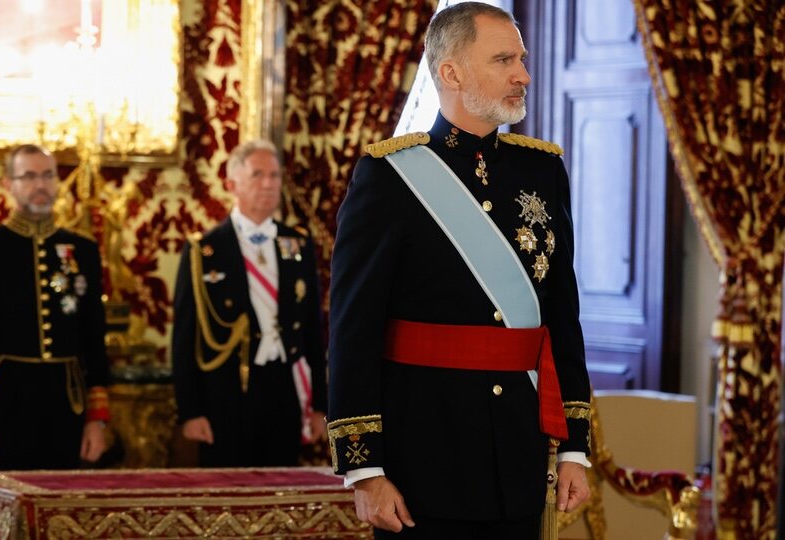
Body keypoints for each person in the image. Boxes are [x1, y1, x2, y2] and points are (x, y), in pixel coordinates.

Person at [326, 3, 591, 538]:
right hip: (422, 462)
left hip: (517, 458)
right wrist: (365, 470)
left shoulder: (543, 170)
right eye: (503, 59)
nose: (524, 74)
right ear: (450, 73)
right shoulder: (388, 176)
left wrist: (575, 447)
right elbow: (352, 330)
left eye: (521, 57)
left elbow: (562, 317)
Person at [0, 144, 110, 470]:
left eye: (48, 175)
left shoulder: (83, 249)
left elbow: (94, 339)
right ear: (8, 184)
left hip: (69, 401)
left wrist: (98, 419)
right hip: (6, 398)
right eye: (29, 176)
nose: (40, 185)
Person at [172, 139, 327, 467]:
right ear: (232, 185)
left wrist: (320, 406)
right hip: (227, 392)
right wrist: (191, 412)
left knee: (283, 491)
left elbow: (313, 329)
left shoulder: (296, 243)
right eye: (258, 175)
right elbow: (185, 339)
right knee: (229, 491)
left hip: (284, 387)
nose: (269, 184)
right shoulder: (205, 251)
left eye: (275, 175)